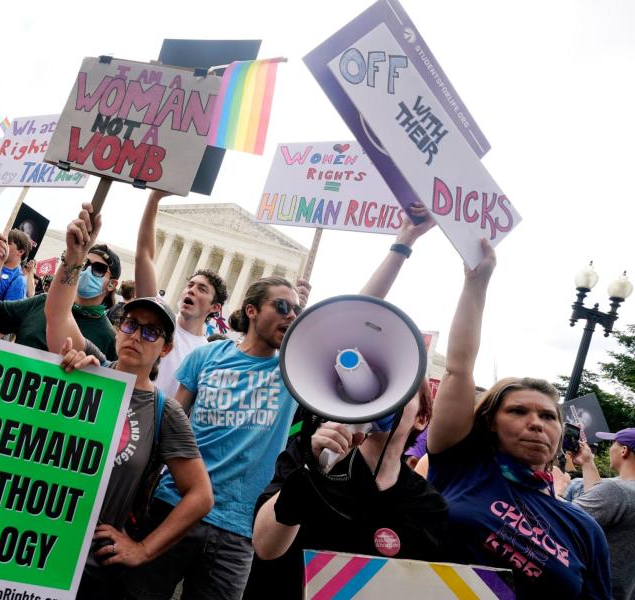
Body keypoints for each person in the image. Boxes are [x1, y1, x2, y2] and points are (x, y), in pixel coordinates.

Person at [245, 204, 443, 599]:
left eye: (402, 392)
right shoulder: (307, 455)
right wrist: (310, 474)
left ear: (421, 416)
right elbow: (265, 547)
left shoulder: (427, 505)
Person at [45, 202, 212, 600]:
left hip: (92, 570)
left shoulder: (164, 411)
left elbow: (201, 495)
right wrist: (73, 258)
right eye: (131, 324)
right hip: (37, 540)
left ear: (167, 349)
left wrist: (143, 549)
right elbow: (56, 315)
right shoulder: (86, 367)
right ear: (119, 328)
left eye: (152, 333)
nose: (137, 336)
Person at [426, 240, 610, 599]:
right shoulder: (463, 468)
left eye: (547, 416)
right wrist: (476, 284)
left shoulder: (584, 530)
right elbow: (458, 369)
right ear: (490, 422)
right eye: (518, 411)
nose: (536, 423)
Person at [124, 275, 301, 600]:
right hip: (174, 508)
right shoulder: (205, 357)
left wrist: (401, 245)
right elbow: (163, 431)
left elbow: (339, 322)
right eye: (281, 306)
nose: (291, 315)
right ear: (251, 310)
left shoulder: (292, 373)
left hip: (238, 532)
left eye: (296, 310)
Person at [133, 190, 234, 399]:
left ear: (215, 308)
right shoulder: (160, 320)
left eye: (202, 289)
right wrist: (154, 199)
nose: (192, 290)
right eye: (190, 285)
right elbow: (144, 256)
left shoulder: (208, 354)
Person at [0, 228, 121, 360]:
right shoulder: (42, 303)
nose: (87, 271)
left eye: (99, 269)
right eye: (84, 264)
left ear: (111, 284)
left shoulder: (110, 339)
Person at [571, 429, 635, 600]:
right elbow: (603, 503)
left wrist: (555, 488)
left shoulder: (618, 491)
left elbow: (563, 521)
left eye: (613, 443)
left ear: (624, 450)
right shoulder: (622, 490)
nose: (609, 448)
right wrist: (587, 461)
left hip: (592, 592)